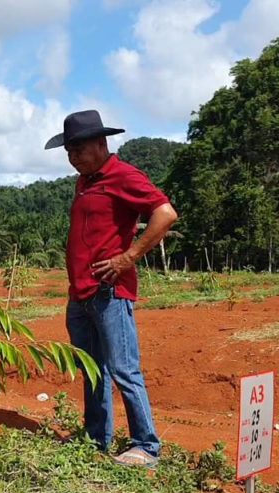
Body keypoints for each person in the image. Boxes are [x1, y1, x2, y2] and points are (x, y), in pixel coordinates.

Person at [45, 110, 178, 467]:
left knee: (123, 369)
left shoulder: (123, 175)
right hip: (81, 293)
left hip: (109, 292)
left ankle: (146, 445)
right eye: (68, 151)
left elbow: (165, 214)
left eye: (79, 149)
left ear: (101, 144)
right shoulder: (85, 181)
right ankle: (96, 437)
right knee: (93, 368)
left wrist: (128, 257)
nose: (73, 157)